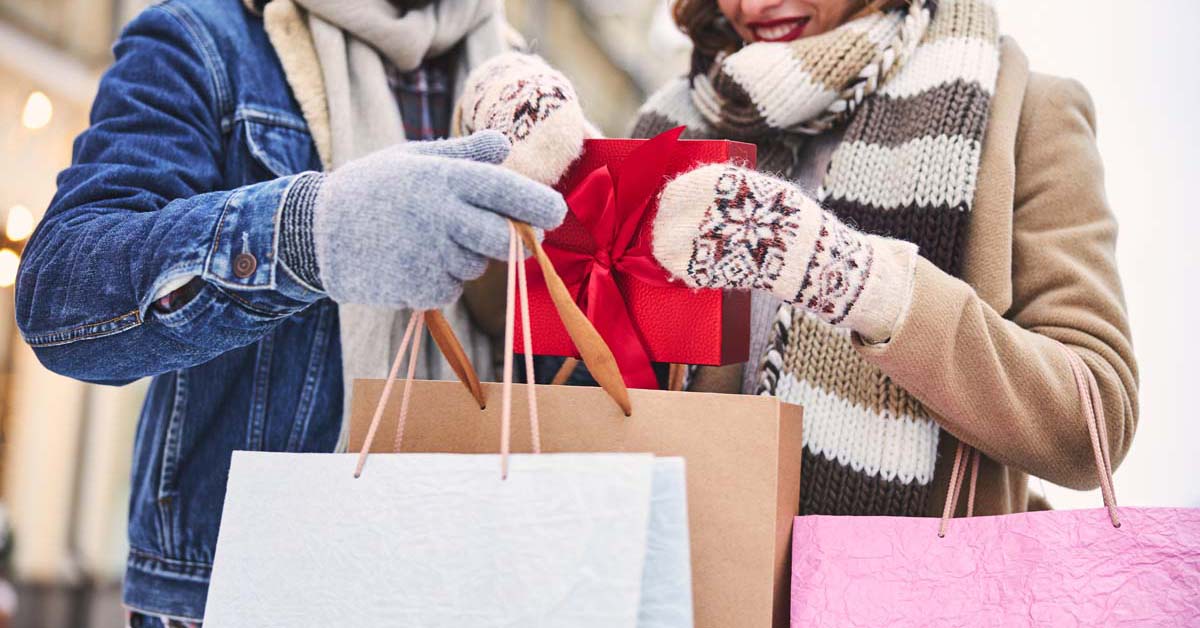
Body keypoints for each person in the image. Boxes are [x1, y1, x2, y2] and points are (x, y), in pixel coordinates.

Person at [13, 0, 586, 624]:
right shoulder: (201, 39)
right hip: (243, 596)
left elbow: (568, 373)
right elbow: (61, 297)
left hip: (464, 580)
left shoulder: (528, 90)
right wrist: (307, 235)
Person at [472, 0, 1138, 519]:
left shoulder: (1026, 112)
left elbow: (1094, 426)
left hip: (903, 592)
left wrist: (847, 278)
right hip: (688, 574)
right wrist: (520, 173)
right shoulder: (677, 115)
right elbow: (546, 342)